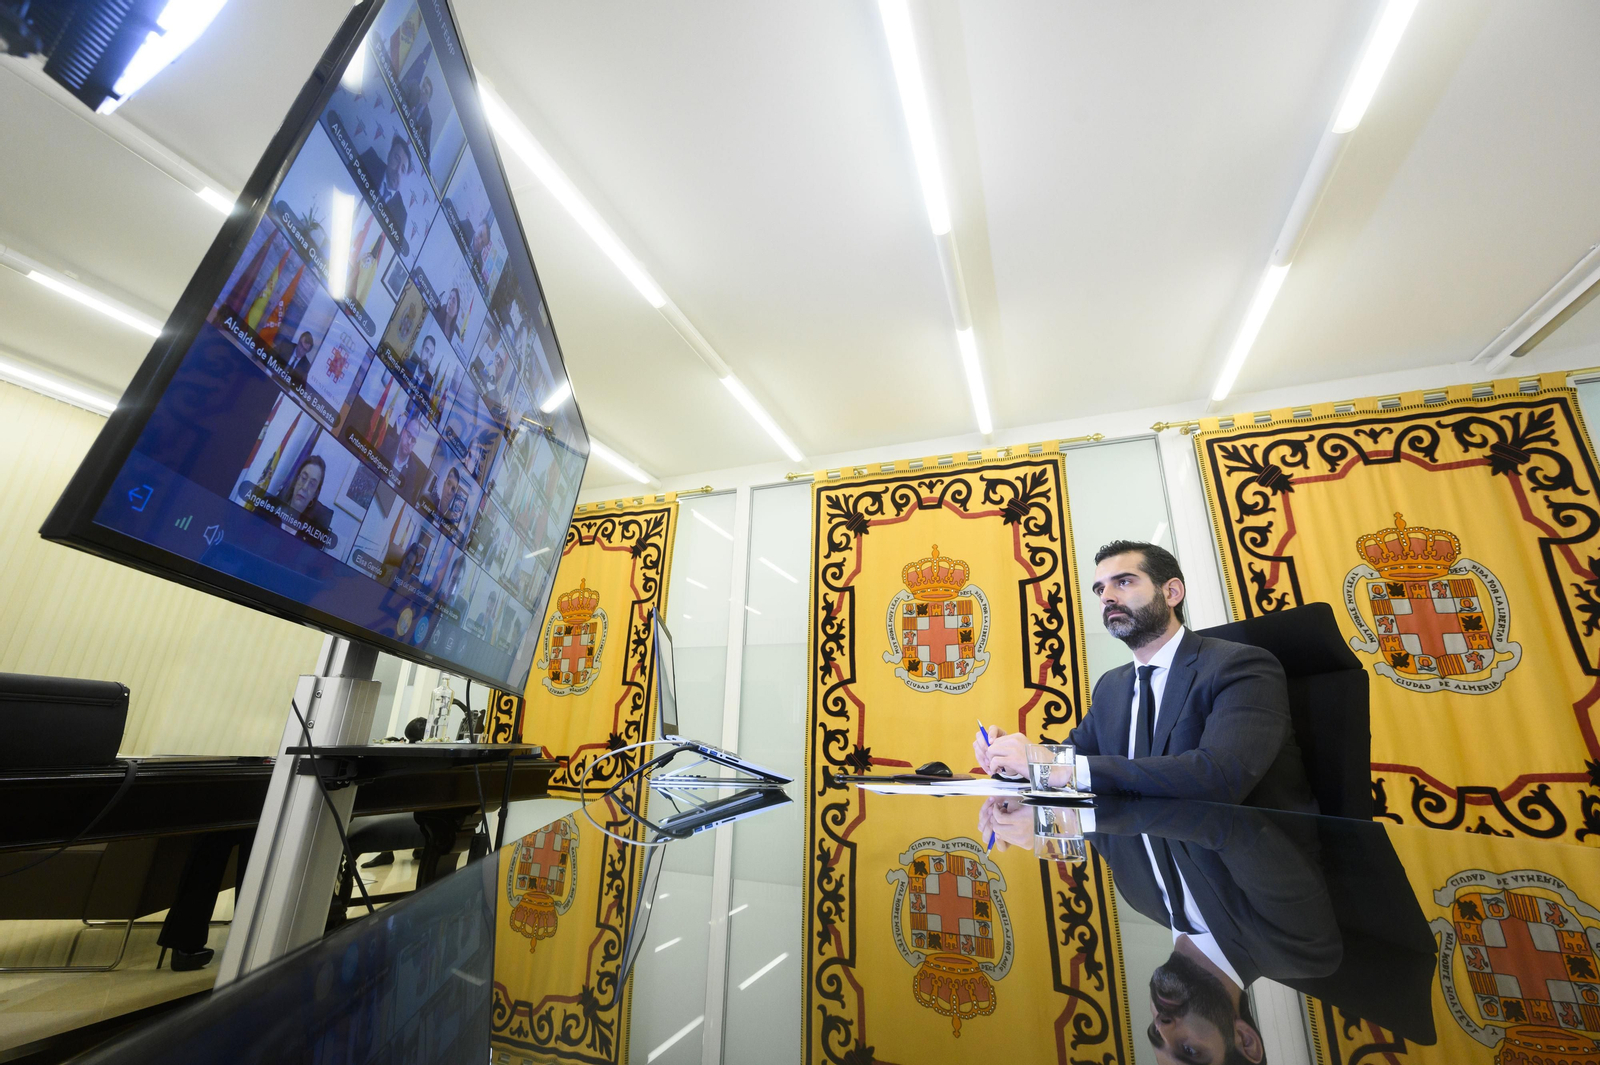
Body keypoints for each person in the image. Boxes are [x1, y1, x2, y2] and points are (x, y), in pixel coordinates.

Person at [975, 541, 1313, 811]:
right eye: (1099, 590)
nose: (1107, 597)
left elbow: (1220, 777)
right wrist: (1015, 761)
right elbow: (1072, 757)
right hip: (1147, 867)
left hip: (1240, 873)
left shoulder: (1242, 666)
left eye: (1123, 582)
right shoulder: (1113, 685)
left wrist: (1058, 769)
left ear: (1171, 593)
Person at [251, 455, 335, 549]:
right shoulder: (267, 505)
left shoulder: (312, 537)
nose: (304, 487)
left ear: (315, 494)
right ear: (296, 481)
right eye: (303, 478)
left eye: (312, 484)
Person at [357, 134, 411, 232]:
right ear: (389, 155)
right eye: (396, 159)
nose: (398, 171)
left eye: (403, 169)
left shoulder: (401, 214)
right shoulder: (369, 161)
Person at [390, 408, 429, 501]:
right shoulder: (388, 443)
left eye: (414, 440)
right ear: (403, 432)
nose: (409, 442)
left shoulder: (412, 470)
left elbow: (406, 499)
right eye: (408, 435)